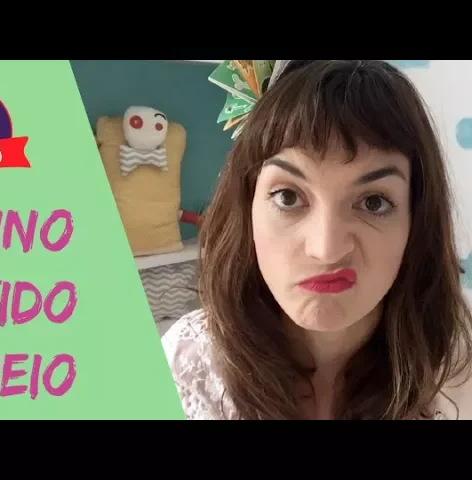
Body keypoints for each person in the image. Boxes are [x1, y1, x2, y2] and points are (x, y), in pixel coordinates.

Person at [161, 60, 472, 420]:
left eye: (373, 202)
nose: (326, 250)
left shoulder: (458, 370)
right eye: (288, 197)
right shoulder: (185, 364)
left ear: (415, 221)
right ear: (247, 206)